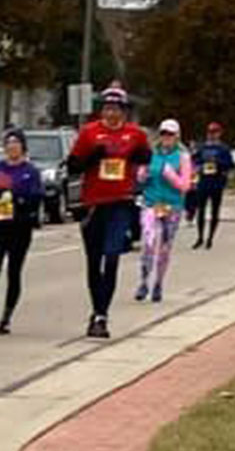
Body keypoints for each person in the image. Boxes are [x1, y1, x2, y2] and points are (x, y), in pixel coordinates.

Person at [65, 82, 151, 340]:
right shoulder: (90, 133)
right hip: (93, 204)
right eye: (107, 108)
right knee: (94, 262)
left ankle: (102, 315)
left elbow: (145, 159)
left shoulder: (135, 134)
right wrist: (92, 157)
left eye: (116, 109)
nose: (111, 114)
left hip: (120, 202)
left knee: (112, 257)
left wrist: (141, 156)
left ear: (124, 111)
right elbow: (73, 166)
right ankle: (96, 310)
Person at [0, 129, 42, 336]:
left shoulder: (30, 171)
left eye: (16, 143)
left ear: (23, 147)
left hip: (19, 228)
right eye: (8, 143)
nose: (12, 146)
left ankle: (6, 317)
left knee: (14, 272)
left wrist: (18, 200)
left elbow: (37, 197)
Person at [138, 119, 192, 303]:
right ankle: (144, 282)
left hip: (172, 206)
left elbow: (185, 185)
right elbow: (140, 176)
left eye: (170, 134)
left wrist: (170, 174)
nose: (166, 138)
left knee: (164, 249)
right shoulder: (151, 154)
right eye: (163, 134)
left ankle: (158, 284)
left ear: (177, 136)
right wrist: (142, 176)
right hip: (151, 204)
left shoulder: (183, 157)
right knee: (148, 244)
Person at [191, 122, 233, 250]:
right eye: (210, 132)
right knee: (201, 210)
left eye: (215, 132)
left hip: (216, 183)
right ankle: (200, 237)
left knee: (215, 211)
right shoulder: (202, 147)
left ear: (219, 133)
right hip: (204, 181)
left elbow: (229, 164)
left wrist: (218, 163)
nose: (212, 135)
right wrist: (198, 166)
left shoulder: (223, 149)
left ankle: (210, 237)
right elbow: (195, 160)